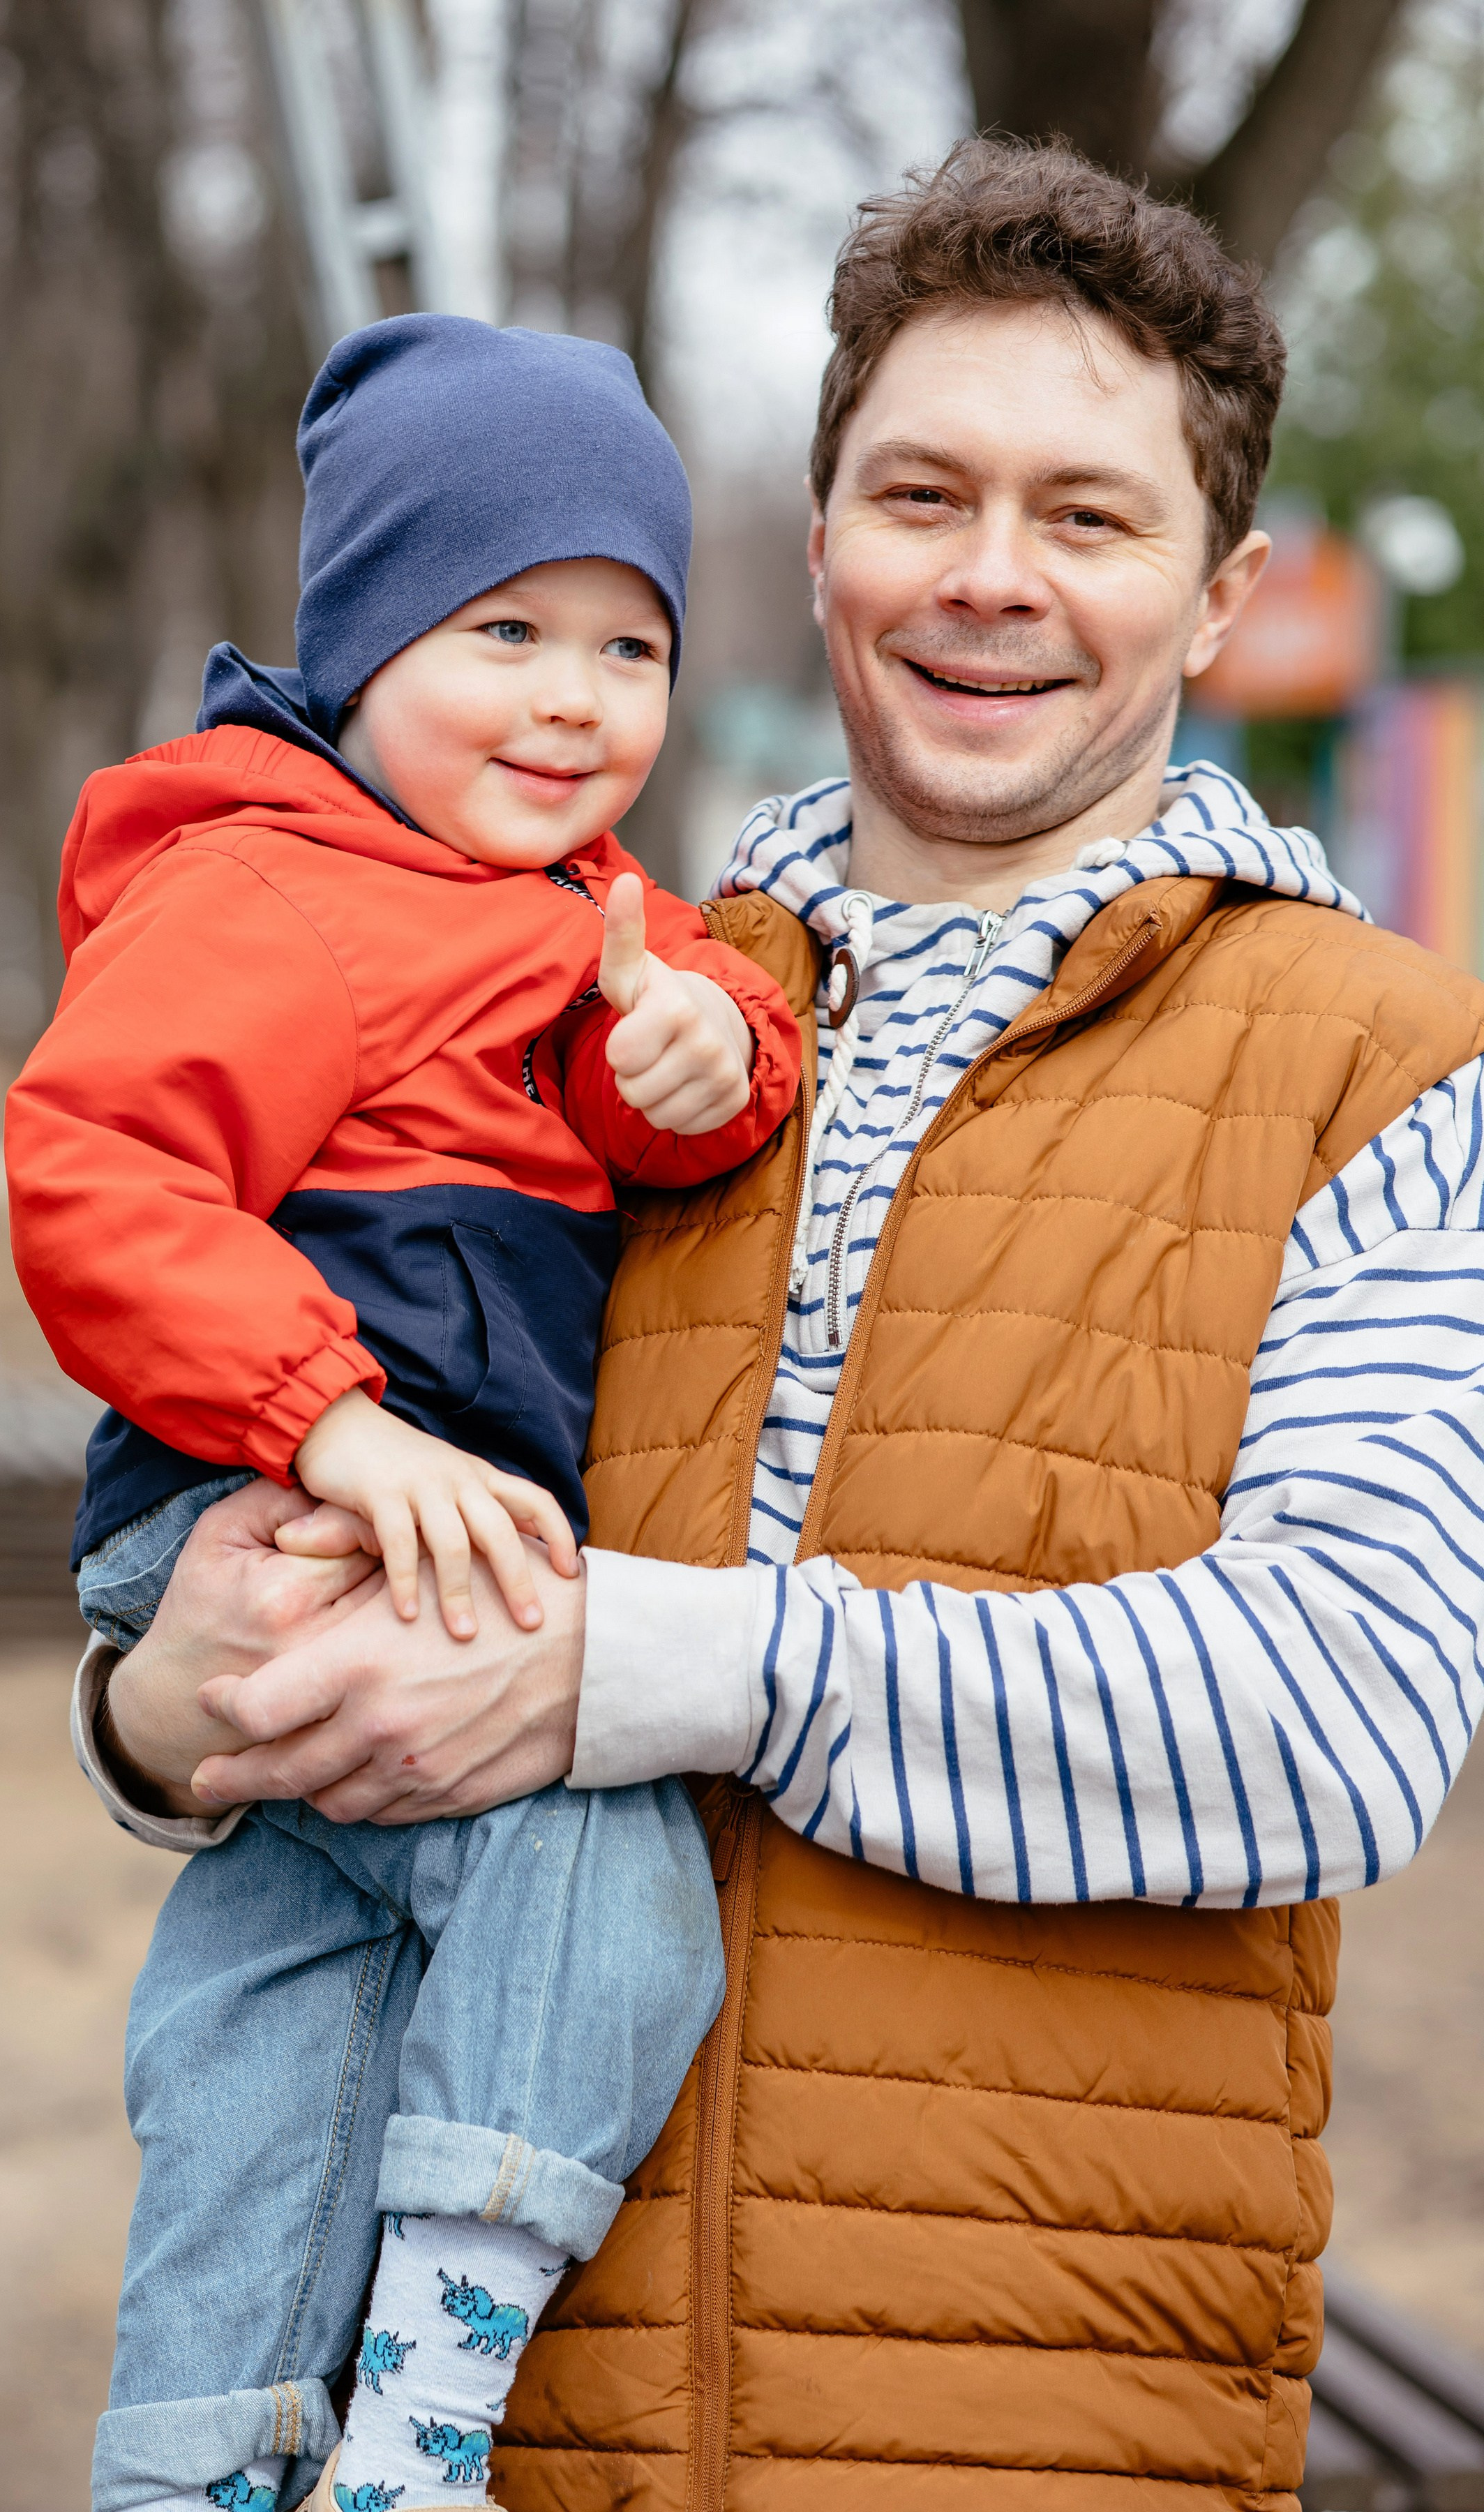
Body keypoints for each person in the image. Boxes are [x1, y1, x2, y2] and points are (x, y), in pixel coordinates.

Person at [82, 141, 1484, 2512]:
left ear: (1227, 591)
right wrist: (157, 1712)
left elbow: (1338, 1723)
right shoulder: (588, 996)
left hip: (1031, 2432)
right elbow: (280, 1424)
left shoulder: (1377, 1064)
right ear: (818, 531)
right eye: (921, 492)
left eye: (1090, 516)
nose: (990, 579)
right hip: (499, 2437)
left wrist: (657, 1662)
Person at [6, 314, 801, 2512]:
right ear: (362, 641)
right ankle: (430, 2414)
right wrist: (328, 1423)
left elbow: (705, 1032)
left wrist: (705, 1069)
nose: (575, 697)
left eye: (628, 647)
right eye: (506, 629)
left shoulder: (585, 911)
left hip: (372, 1513)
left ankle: (195, 2462)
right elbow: (96, 1174)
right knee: (595, 1862)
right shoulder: (266, 886)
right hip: (276, 1495)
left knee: (270, 2034)